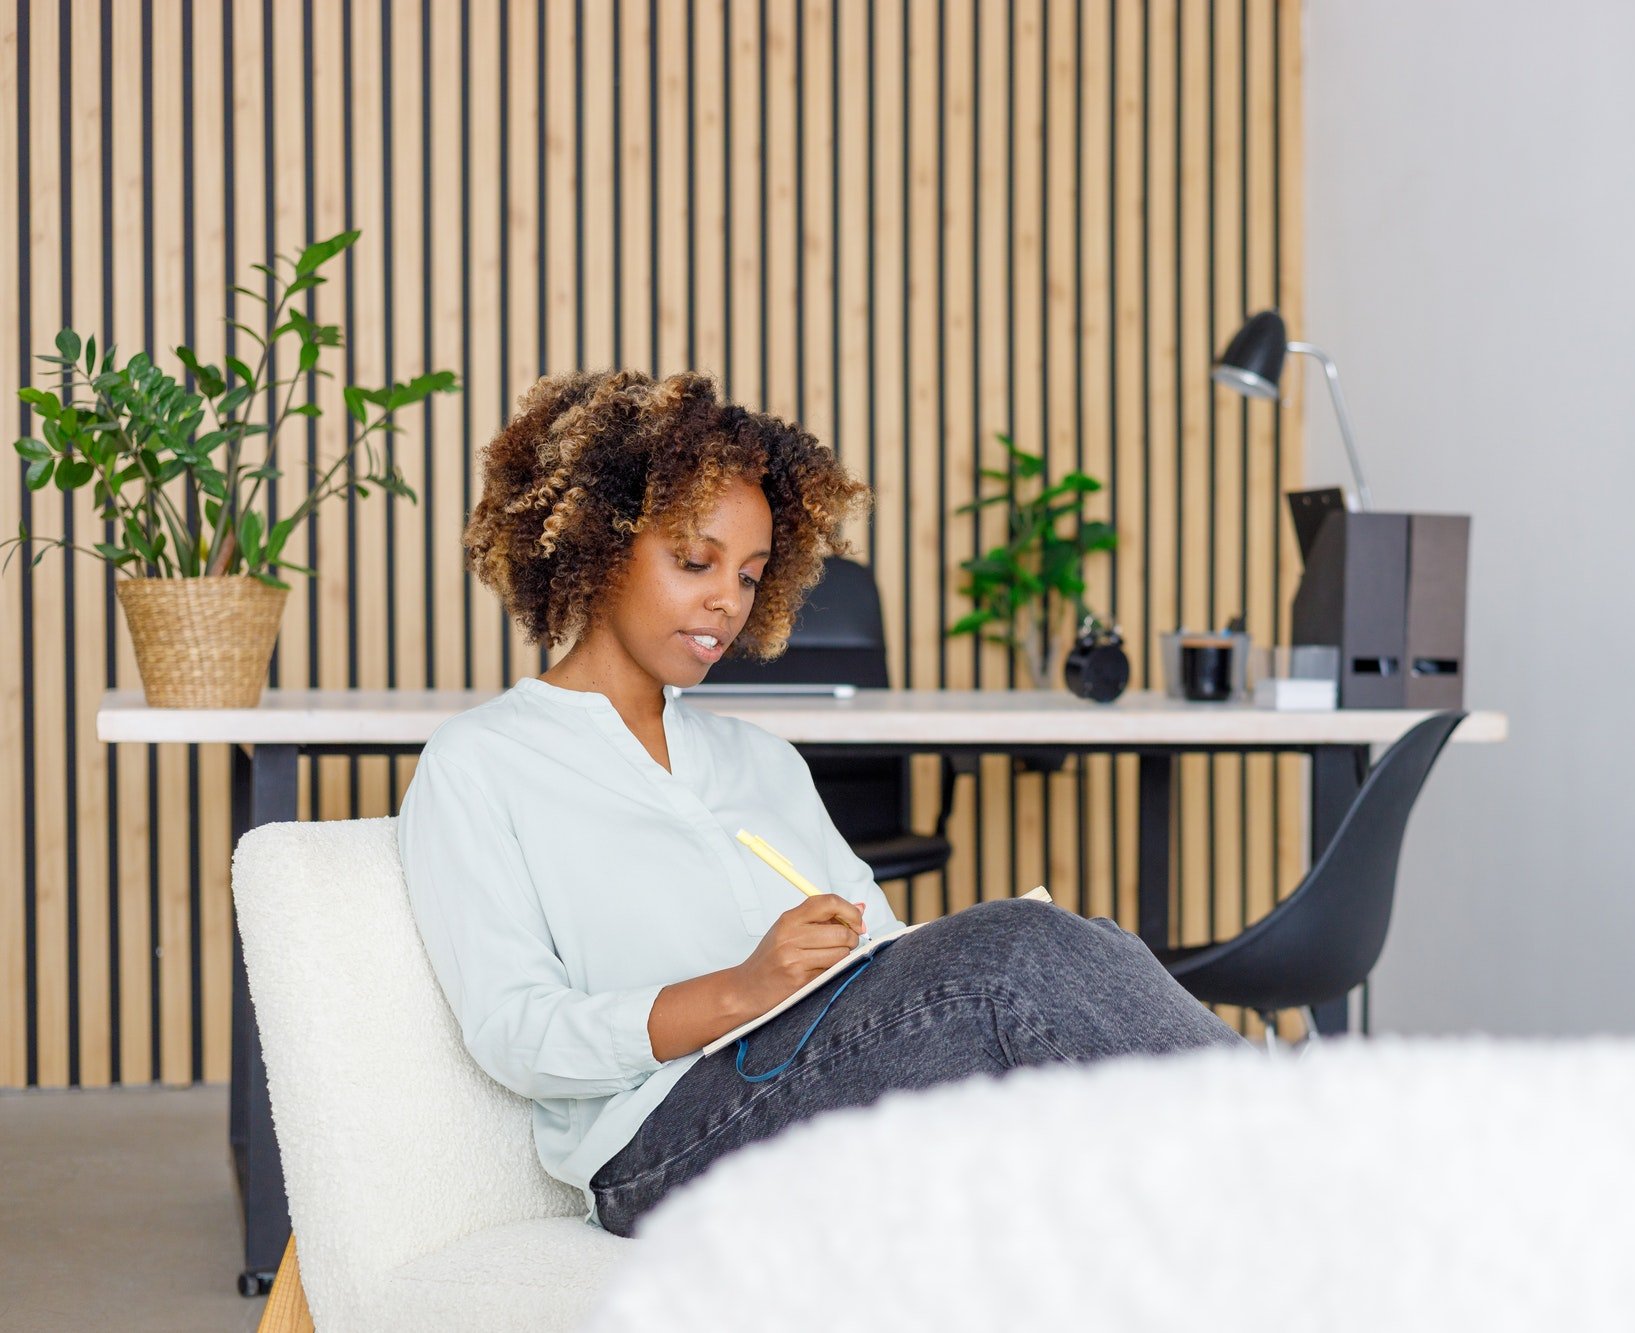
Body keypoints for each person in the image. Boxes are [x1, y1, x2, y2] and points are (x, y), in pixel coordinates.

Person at [396, 369, 1247, 1237]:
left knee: (1087, 954)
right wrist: (741, 989)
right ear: (598, 541)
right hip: (660, 1143)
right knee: (1013, 958)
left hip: (817, 1079)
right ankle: (1305, 1143)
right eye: (695, 561)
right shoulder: (482, 764)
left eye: (753, 576)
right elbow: (516, 1032)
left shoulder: (760, 761)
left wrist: (900, 960)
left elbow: (879, 957)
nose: (727, 601)